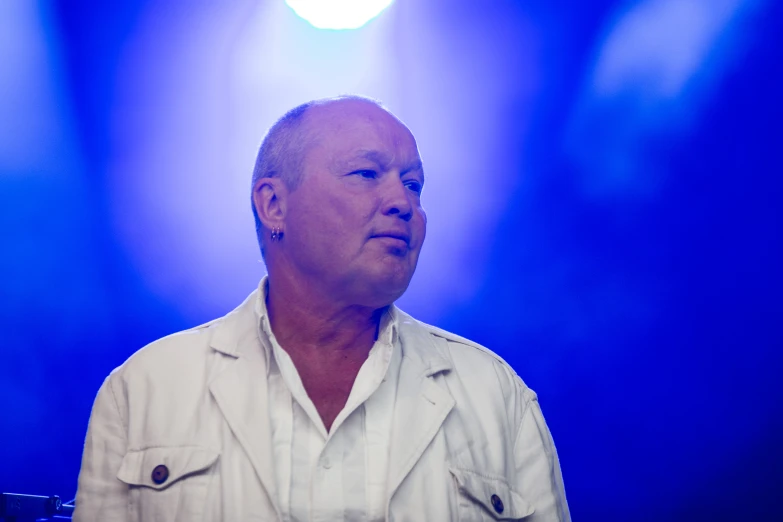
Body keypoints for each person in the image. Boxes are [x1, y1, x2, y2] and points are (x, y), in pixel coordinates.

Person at [73, 95, 570, 521]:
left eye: (413, 184)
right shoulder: (146, 389)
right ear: (274, 205)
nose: (403, 202)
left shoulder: (495, 396)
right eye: (367, 174)